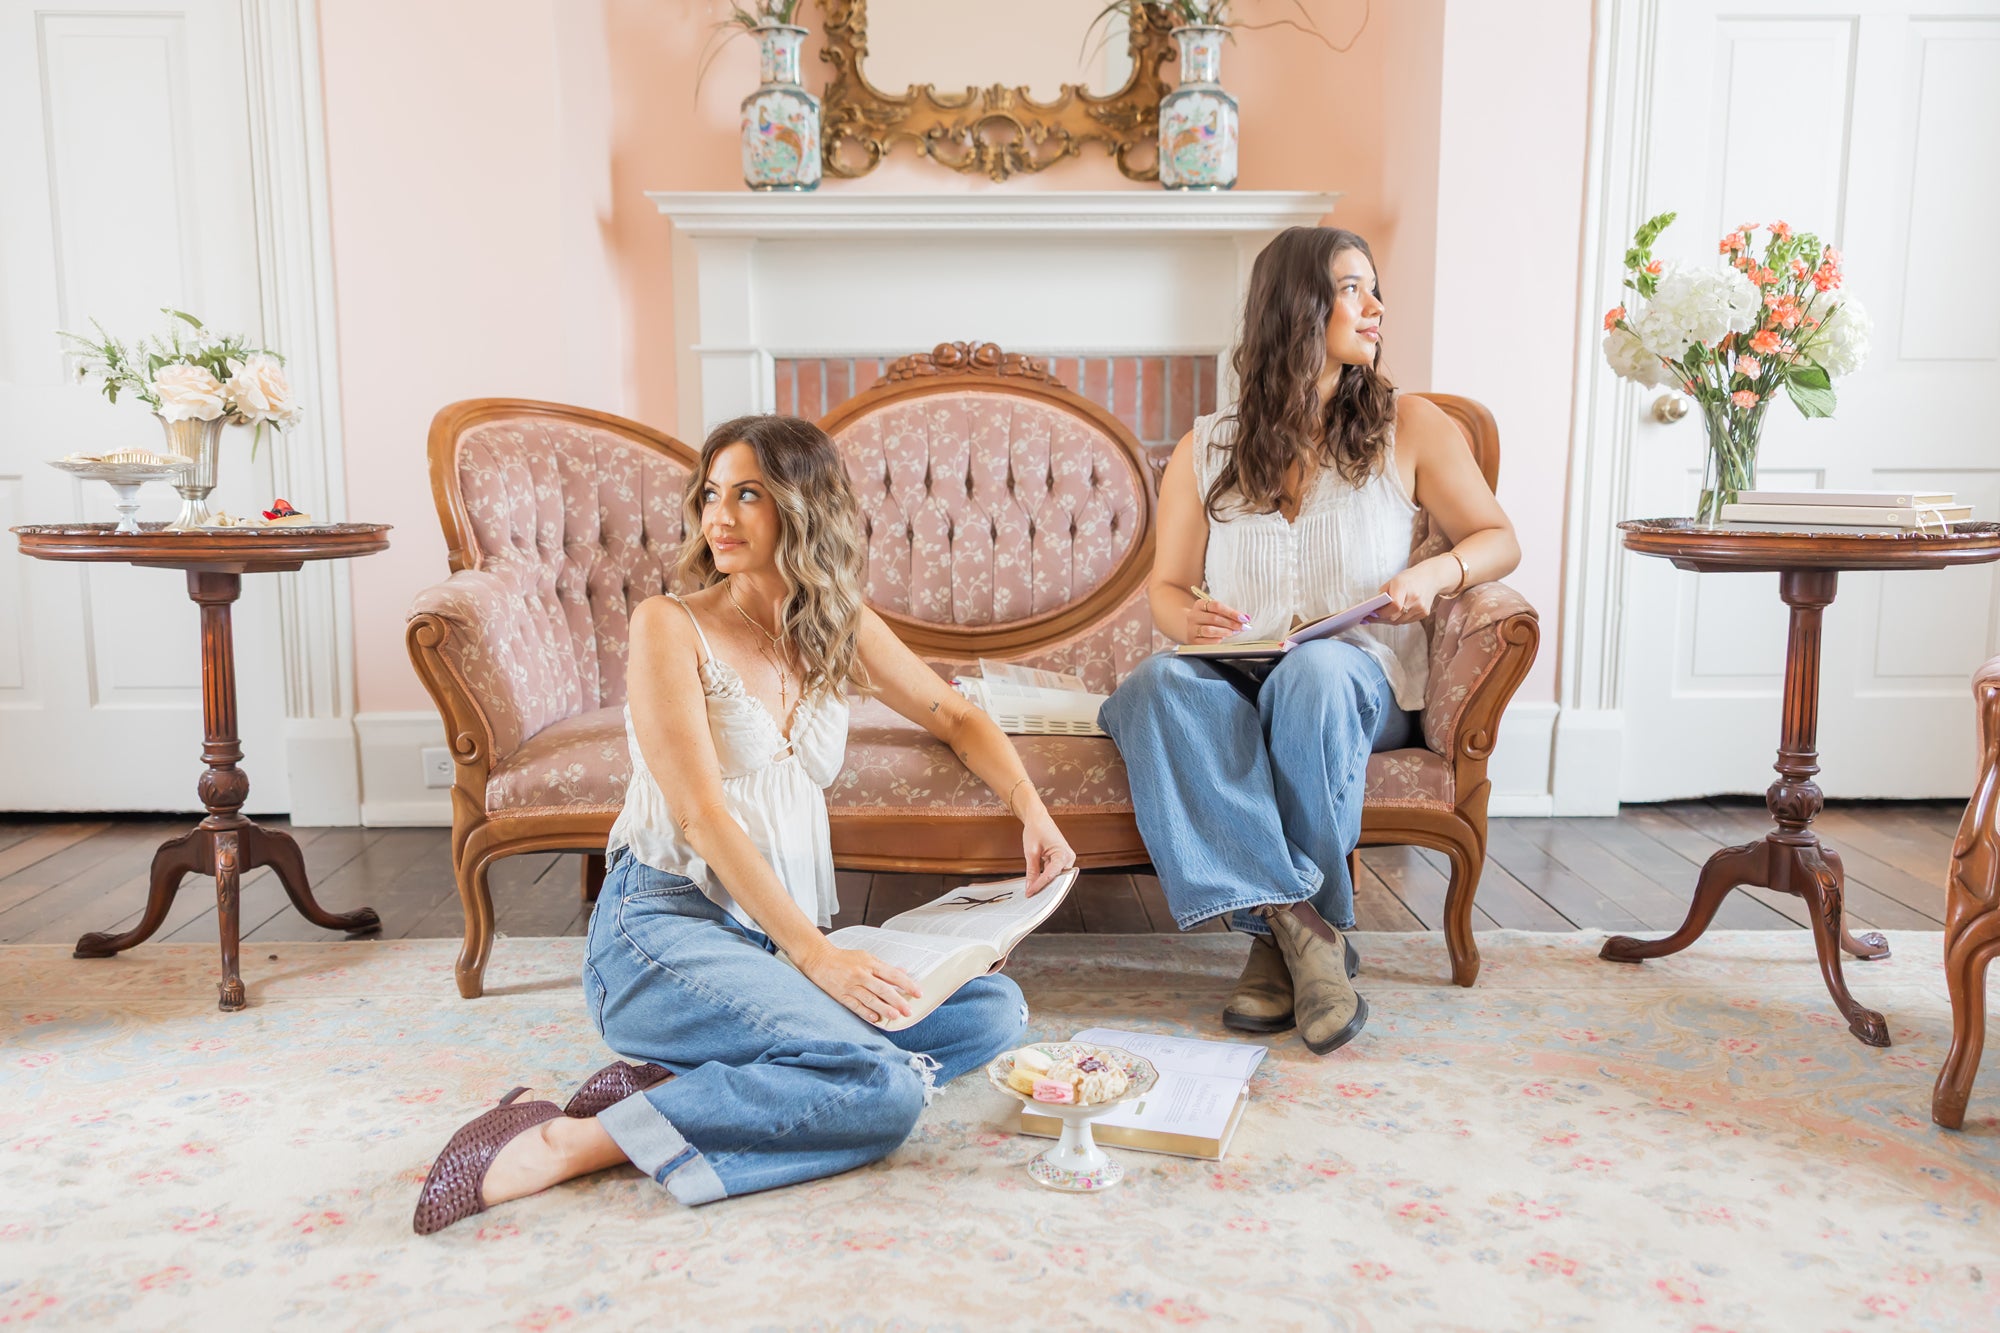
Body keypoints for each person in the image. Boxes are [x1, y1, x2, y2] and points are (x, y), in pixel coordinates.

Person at [412, 415, 1078, 1233]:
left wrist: (1032, 811)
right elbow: (699, 813)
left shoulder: (835, 623)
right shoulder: (671, 623)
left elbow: (954, 714)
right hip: (661, 931)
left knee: (994, 1008)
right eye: (712, 494)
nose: (717, 516)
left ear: (804, 508)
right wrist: (820, 955)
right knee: (887, 1084)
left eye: (748, 494)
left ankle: (687, 1084)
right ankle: (575, 1139)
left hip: (767, 940)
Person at [1098, 226, 1520, 1056]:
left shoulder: (1412, 426)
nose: (1374, 308)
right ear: (1297, 307)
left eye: (1375, 290)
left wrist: (1431, 579)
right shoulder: (1206, 446)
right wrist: (1191, 621)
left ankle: (1276, 938)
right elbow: (1167, 589)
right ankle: (1300, 929)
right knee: (1150, 687)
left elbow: (1499, 539)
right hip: (1240, 668)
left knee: (1314, 678)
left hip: (1355, 678)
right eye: (1352, 290)